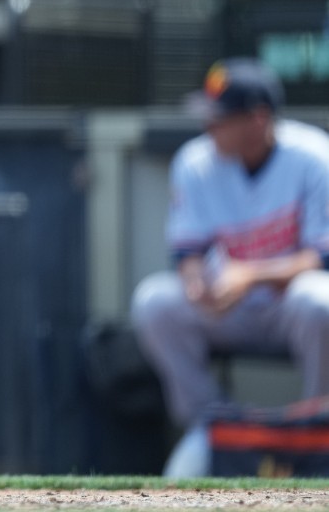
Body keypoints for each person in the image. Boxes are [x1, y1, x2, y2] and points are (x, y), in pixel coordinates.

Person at [131, 58, 329, 474]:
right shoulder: (195, 162)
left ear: (258, 119)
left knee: (319, 300)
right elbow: (187, 251)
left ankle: (319, 427)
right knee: (155, 303)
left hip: (289, 305)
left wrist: (252, 274)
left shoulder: (313, 156)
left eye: (220, 119)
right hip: (229, 307)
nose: (209, 127)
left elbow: (322, 256)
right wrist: (195, 283)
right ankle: (211, 426)